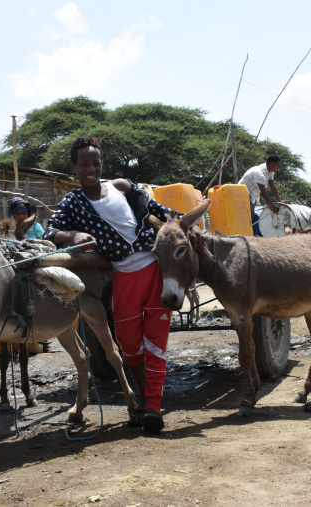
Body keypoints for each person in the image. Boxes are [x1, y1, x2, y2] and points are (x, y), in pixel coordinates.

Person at [44, 136, 197, 433]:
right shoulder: (73, 202)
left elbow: (162, 211)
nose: (91, 168)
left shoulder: (122, 188)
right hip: (123, 278)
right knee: (129, 347)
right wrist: (73, 236)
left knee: (155, 344)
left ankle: (152, 405)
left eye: (96, 162)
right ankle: (144, 397)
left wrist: (186, 226)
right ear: (74, 167)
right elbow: (51, 231)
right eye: (84, 164)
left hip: (154, 272)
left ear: (102, 164)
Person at [238, 154, 284, 236]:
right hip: (241, 194)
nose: (278, 167)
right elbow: (263, 191)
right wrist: (272, 205)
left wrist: (279, 201)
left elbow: (273, 188)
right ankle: (247, 235)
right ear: (272, 163)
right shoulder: (258, 172)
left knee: (251, 215)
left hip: (251, 195)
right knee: (249, 216)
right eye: (277, 165)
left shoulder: (270, 172)